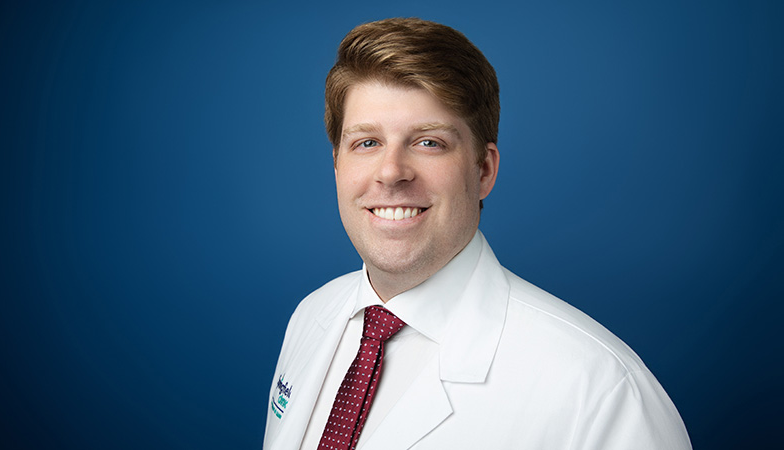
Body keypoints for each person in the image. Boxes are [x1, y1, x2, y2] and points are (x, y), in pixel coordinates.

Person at [264, 18, 691, 450]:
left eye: (429, 142)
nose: (391, 172)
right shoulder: (311, 317)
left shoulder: (601, 391)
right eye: (367, 143)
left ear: (483, 170)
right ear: (337, 164)